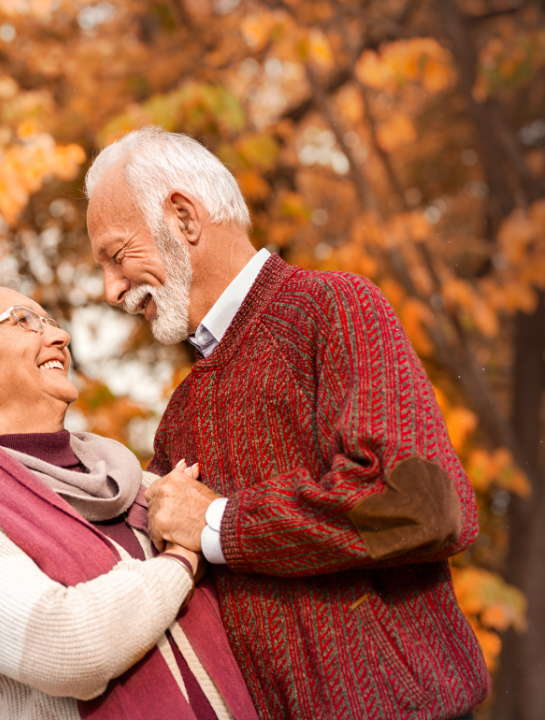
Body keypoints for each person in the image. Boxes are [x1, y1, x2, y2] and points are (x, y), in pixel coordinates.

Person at [85, 126, 490, 720]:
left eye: (117, 256)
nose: (110, 287)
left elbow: (425, 506)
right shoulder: (180, 415)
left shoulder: (335, 307)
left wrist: (218, 523)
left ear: (183, 218)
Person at [0, 263, 259, 720]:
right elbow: (67, 644)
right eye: (23, 322)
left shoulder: (139, 487)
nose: (60, 337)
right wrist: (182, 558)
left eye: (51, 322)